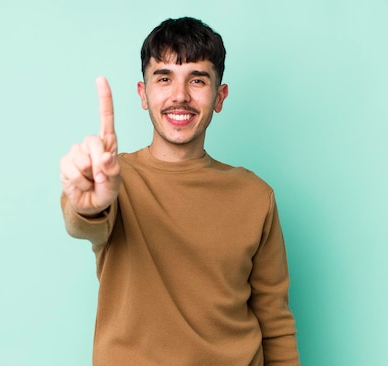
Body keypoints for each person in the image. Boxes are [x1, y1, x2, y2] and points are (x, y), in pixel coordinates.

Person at [59, 17, 300, 365]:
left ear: (219, 96)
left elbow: (274, 322)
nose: (180, 96)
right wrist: (89, 204)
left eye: (197, 80)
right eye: (164, 78)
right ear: (143, 94)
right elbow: (84, 223)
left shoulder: (256, 196)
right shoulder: (112, 178)